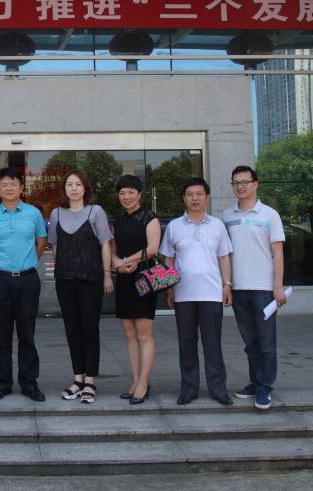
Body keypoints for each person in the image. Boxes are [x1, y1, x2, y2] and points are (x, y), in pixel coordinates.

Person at [161, 177, 235, 406]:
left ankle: (218, 389)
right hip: (183, 294)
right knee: (186, 343)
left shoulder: (217, 225)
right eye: (190, 194)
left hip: (211, 293)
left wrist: (227, 285)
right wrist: (169, 289)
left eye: (199, 194)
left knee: (212, 344)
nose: (195, 198)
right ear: (184, 198)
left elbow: (224, 257)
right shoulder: (174, 226)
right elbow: (168, 260)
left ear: (207, 197)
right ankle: (189, 389)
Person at [223, 165, 287, 410]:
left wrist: (277, 287)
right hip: (238, 288)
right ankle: (255, 382)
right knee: (250, 341)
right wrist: (227, 285)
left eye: (244, 182)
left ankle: (265, 388)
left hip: (263, 289)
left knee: (266, 342)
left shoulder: (269, 215)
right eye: (236, 183)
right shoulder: (226, 216)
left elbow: (278, 253)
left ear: (255, 184)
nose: (240, 186)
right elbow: (224, 254)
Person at [47, 170, 113, 404]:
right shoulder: (56, 213)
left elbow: (105, 244)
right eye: (69, 184)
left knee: (90, 330)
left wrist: (107, 275)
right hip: (65, 281)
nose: (73, 188)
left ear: (85, 188)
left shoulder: (96, 212)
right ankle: (78, 378)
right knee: (72, 329)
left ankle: (90, 381)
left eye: (78, 184)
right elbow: (55, 246)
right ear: (64, 189)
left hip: (91, 280)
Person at [0, 166, 47, 402]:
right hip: (0, 280)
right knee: (2, 336)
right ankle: (3, 384)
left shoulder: (33, 213)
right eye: (4, 184)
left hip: (28, 280)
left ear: (21, 187)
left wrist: (27, 263)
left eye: (13, 183)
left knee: (27, 334)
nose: (9, 188)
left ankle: (29, 383)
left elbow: (41, 242)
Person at [110, 175, 162, 405]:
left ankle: (144, 382)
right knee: (130, 334)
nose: (126, 196)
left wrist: (126, 260)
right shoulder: (119, 221)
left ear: (139, 194)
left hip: (144, 278)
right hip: (124, 280)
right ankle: (136, 380)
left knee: (143, 334)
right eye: (122, 193)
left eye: (131, 192)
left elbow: (152, 249)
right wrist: (118, 264)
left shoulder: (149, 217)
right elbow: (111, 250)